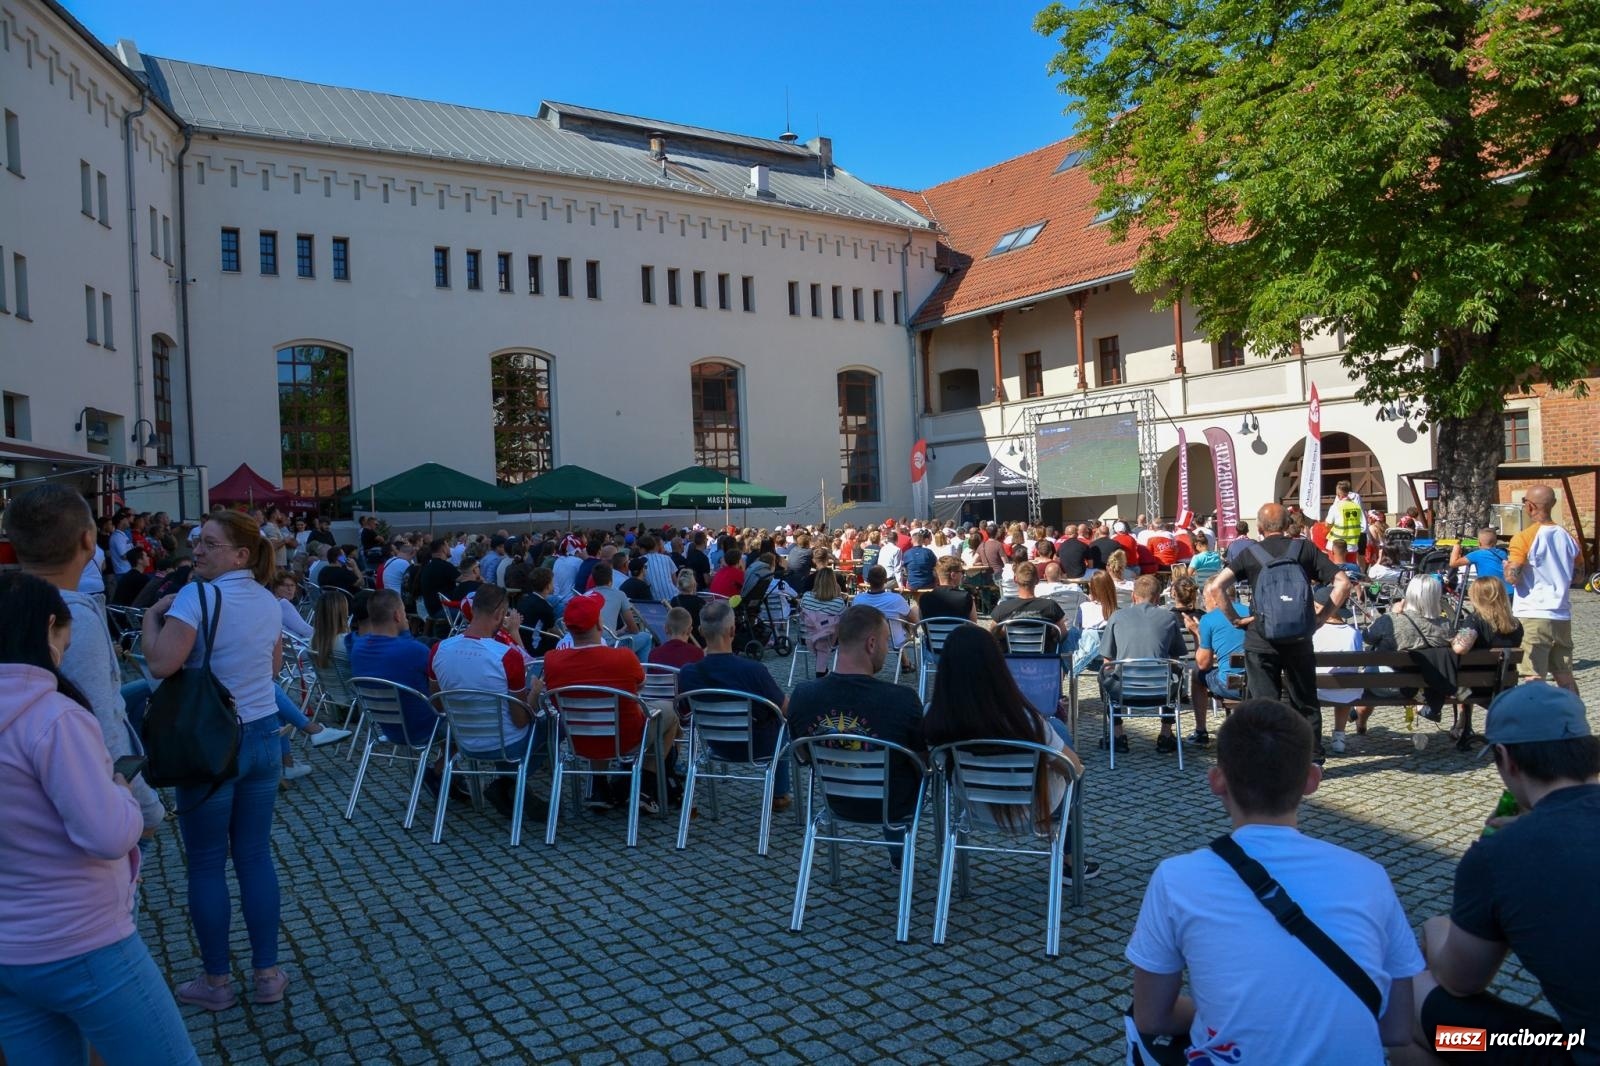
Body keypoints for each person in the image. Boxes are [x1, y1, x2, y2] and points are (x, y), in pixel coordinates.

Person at [1126, 699, 1422, 1064]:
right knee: (1460, 1041)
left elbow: (1152, 1017)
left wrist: (1226, 1015)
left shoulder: (1176, 879)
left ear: (1217, 780)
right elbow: (1396, 1029)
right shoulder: (1370, 876)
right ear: (1312, 780)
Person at [0, 573, 201, 1065]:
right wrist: (121, 792)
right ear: (50, 626)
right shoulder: (54, 717)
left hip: (9, 952)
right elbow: (108, 834)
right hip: (80, 940)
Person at [140, 510, 291, 1010]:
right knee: (254, 855)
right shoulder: (268, 599)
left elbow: (161, 664)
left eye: (208, 543)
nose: (197, 550)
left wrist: (150, 618)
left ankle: (216, 981)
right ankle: (267, 974)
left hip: (211, 741)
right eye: (196, 541)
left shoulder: (196, 596)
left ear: (240, 554)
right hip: (263, 733)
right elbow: (273, 666)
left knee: (206, 862)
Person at [1411, 685, 1599, 1065]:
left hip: (1579, 1052)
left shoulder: (1498, 856)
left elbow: (1459, 982)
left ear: (1506, 758)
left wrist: (1435, 927)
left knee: (1410, 1000)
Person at [2, 487, 166, 840]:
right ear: (88, 540)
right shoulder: (72, 617)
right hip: (84, 810)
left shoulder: (10, 605)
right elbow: (101, 724)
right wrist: (145, 807)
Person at [922, 624, 1098, 884]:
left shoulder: (933, 717)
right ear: (997, 666)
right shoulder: (1026, 720)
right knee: (1063, 747)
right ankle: (1070, 862)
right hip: (1035, 809)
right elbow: (1074, 769)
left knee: (1055, 731)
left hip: (974, 807)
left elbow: (935, 766)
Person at [1208, 502, 1351, 764]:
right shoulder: (1305, 549)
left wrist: (1235, 619)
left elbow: (1216, 587)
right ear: (1287, 525)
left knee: (1264, 704)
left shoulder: (1250, 553)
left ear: (1260, 528)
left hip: (1261, 638)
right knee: (1305, 701)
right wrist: (1321, 618)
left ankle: (1266, 760)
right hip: (1299, 637)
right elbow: (1343, 583)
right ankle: (1312, 760)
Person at [786, 605, 926, 865]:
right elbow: (922, 759)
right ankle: (901, 857)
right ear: (871, 644)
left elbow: (802, 754)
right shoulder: (902, 700)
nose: (887, 648)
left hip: (835, 799)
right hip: (894, 805)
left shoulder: (803, 696)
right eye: (885, 640)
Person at [542, 592, 677, 813]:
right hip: (625, 739)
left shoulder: (551, 661)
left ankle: (599, 786)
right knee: (670, 713)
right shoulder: (623, 657)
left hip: (579, 740)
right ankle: (646, 786)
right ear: (599, 624)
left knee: (593, 716)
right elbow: (640, 686)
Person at [426, 583, 542, 818]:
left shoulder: (439, 649)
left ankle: (507, 786)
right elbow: (520, 720)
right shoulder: (507, 656)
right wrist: (535, 694)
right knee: (554, 726)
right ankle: (509, 784)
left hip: (463, 741)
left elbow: (438, 705)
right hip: (506, 744)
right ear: (499, 614)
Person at [676, 599, 792, 809]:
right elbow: (786, 709)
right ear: (732, 630)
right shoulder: (753, 670)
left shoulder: (688, 673)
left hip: (715, 745)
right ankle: (779, 793)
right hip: (759, 746)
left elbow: (683, 713)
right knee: (782, 723)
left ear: (701, 631)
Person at [1098, 574, 1187, 754]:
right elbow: (1176, 659)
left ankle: (1118, 735)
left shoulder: (1117, 617)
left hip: (1124, 690)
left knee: (1103, 674)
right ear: (1157, 598)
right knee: (1175, 673)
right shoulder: (1169, 617)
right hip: (1161, 691)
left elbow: (1108, 662)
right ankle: (1165, 734)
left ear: (1133, 596)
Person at [1504, 485, 1580, 693]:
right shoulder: (1569, 538)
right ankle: (1574, 711)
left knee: (1534, 676)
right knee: (1564, 676)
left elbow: (1512, 577)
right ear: (1553, 504)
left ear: (1529, 506)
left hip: (1533, 613)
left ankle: (1537, 712)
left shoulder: (1523, 537)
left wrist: (1507, 568)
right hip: (1561, 614)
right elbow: (1578, 576)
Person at [1311, 587, 1366, 755]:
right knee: (1344, 684)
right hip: (1347, 690)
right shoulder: (1354, 633)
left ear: (1321, 608)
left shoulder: (1313, 632)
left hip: (1317, 690)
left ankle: (1313, 736)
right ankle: (1339, 738)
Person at [991, 560, 1068, 650]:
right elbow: (1063, 633)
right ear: (1037, 580)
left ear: (1015, 579)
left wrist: (1010, 634)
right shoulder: (1051, 606)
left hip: (1012, 656)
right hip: (1044, 656)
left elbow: (992, 632)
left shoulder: (1003, 607)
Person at [850, 565, 919, 661]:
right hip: (893, 641)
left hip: (865, 639)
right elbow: (914, 620)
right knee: (910, 611)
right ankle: (905, 662)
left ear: (868, 580)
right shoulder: (896, 599)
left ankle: (905, 662)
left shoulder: (858, 599)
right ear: (886, 580)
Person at [1448, 526, 1510, 593]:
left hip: (1490, 591)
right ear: (1495, 542)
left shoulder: (1477, 554)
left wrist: (1456, 546)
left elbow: (1453, 563)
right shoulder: (1503, 553)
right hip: (1507, 591)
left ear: (1479, 543)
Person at [515, 567, 560, 657]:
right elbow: (552, 629)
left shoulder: (524, 600)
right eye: (552, 582)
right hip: (535, 648)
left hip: (521, 642)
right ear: (547, 586)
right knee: (558, 640)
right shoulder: (545, 607)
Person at [919, 555, 977, 622]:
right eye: (962, 572)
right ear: (953, 575)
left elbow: (924, 623)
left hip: (933, 629)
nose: (963, 575)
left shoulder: (924, 597)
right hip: (960, 629)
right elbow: (973, 623)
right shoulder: (965, 596)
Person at [416, 537, 460, 624]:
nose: (449, 549)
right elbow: (464, 579)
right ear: (443, 548)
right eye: (448, 546)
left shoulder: (427, 567)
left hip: (432, 610)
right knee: (473, 614)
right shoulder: (445, 566)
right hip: (444, 609)